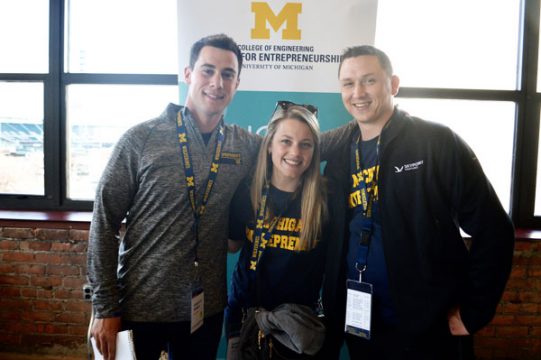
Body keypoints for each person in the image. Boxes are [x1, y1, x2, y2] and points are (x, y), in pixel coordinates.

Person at [320, 45, 515, 359]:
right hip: (362, 326)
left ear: (393, 84)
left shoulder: (436, 142)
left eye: (369, 80)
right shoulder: (341, 153)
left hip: (428, 329)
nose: (358, 92)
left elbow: (494, 229)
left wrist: (473, 311)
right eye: (348, 83)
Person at [87, 33, 261, 360]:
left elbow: (293, 146)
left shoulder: (245, 145)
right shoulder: (141, 139)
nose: (217, 82)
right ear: (188, 74)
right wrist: (104, 306)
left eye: (227, 74)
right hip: (138, 307)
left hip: (203, 311)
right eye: (207, 70)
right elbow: (104, 221)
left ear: (237, 83)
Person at [225, 101, 329, 359]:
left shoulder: (325, 200)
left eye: (306, 144)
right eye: (286, 141)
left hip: (297, 327)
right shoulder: (247, 192)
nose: (295, 151)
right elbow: (232, 245)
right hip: (245, 318)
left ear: (314, 152)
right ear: (269, 144)